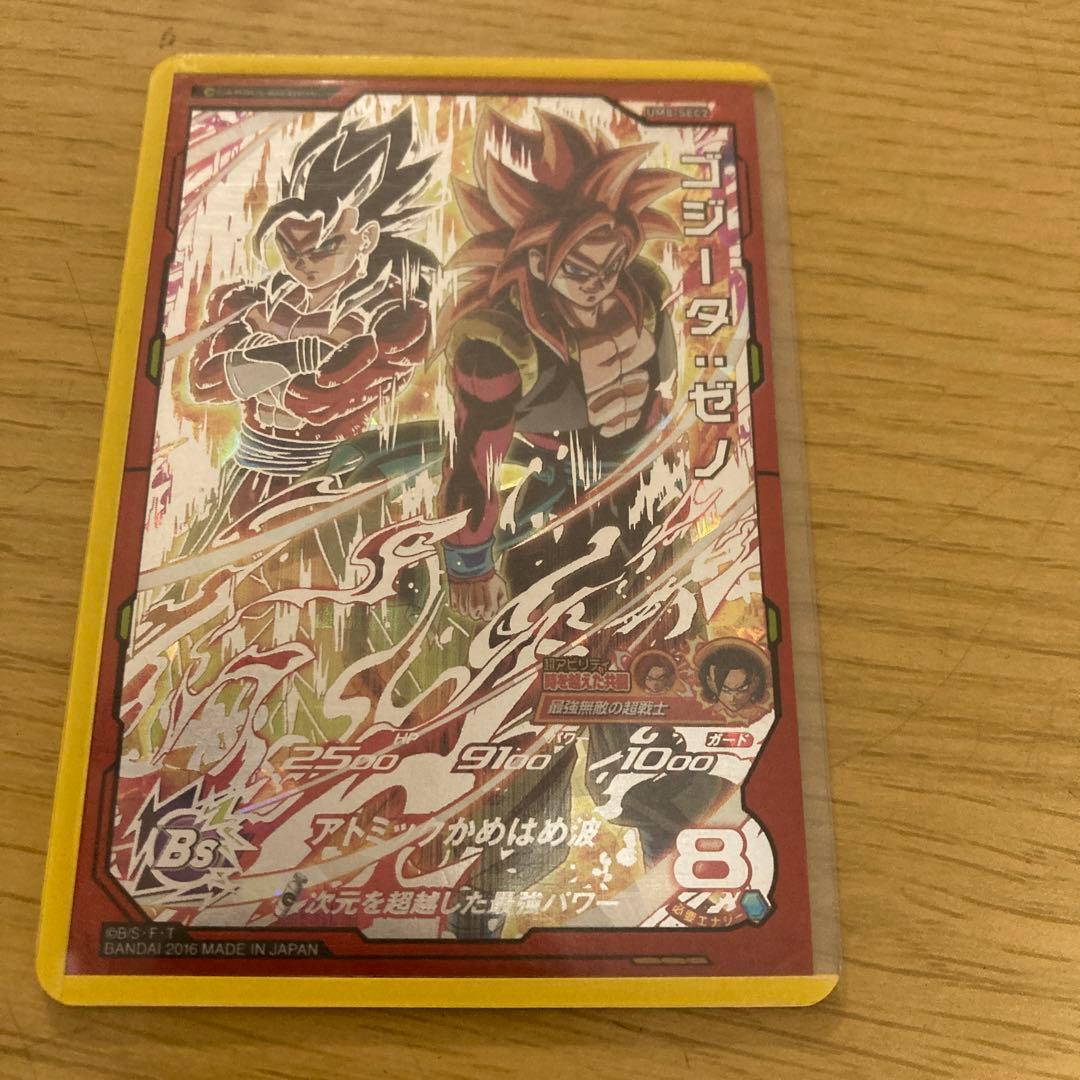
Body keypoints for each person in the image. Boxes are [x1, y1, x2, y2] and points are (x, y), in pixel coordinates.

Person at [187, 107, 438, 543]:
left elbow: (318, 401)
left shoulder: (397, 318)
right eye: (288, 248)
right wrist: (294, 356)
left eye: (324, 247)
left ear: (367, 238)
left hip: (331, 486)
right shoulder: (245, 300)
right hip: (246, 477)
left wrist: (249, 364)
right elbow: (204, 384)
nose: (303, 264)